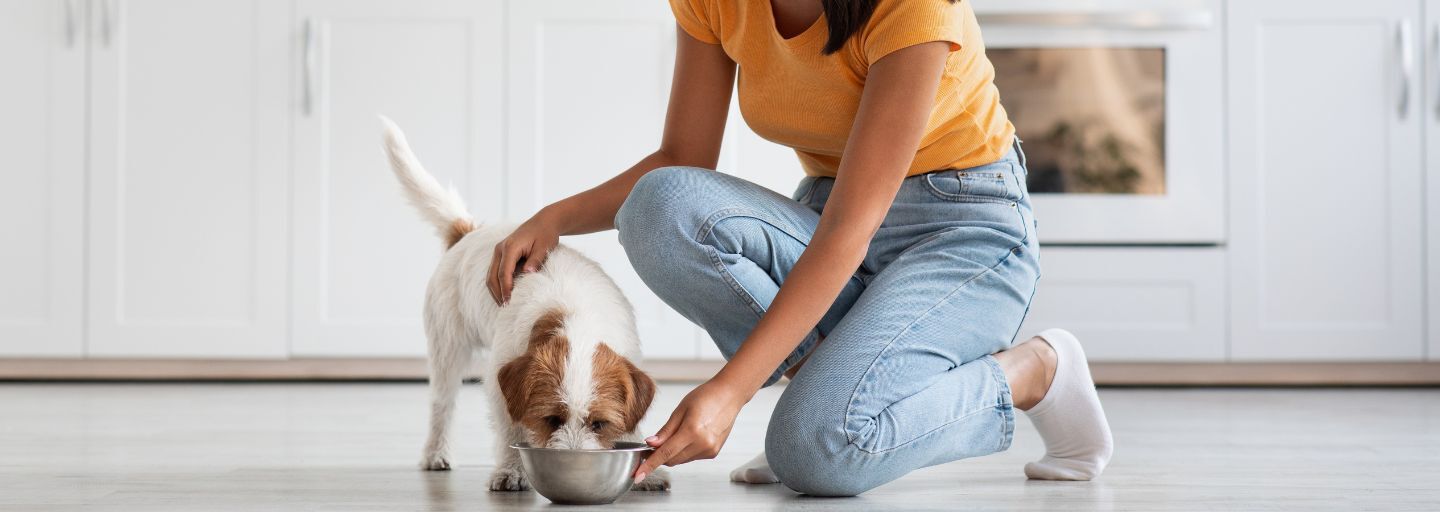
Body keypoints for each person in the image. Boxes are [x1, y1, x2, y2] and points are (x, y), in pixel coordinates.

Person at [485, 0, 1113, 496]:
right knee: (659, 206)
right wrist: (555, 217)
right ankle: (828, 390)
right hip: (828, 213)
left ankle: (1032, 373)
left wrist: (729, 391)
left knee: (816, 453)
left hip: (962, 230)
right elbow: (682, 160)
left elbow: (849, 232)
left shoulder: (911, 4)